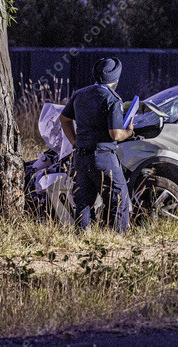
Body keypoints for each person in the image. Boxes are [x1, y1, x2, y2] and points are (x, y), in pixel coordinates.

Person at [60, 57, 134, 233]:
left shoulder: (79, 94)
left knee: (83, 202)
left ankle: (82, 239)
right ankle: (116, 239)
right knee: (119, 199)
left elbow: (64, 119)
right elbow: (116, 134)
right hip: (103, 156)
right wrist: (129, 131)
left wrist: (75, 142)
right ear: (116, 78)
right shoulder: (113, 99)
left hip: (80, 157)